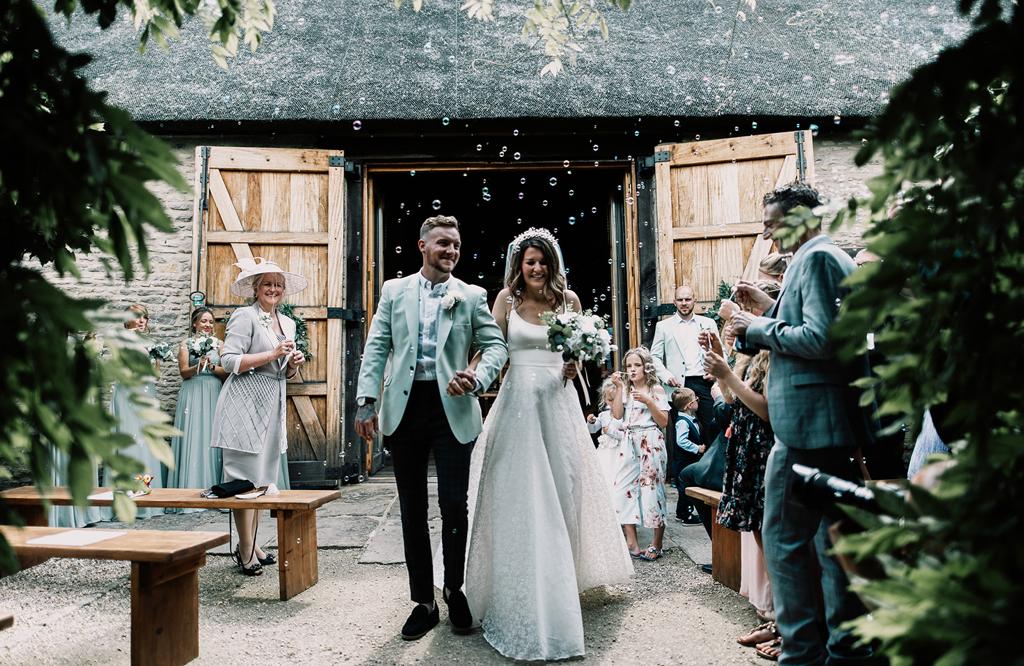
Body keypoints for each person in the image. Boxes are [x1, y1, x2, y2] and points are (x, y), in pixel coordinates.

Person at [463, 227, 632, 660]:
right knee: (517, 495)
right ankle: (516, 581)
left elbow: (576, 351)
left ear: (553, 263)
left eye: (543, 261)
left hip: (558, 403)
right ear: (519, 265)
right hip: (517, 403)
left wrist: (575, 363)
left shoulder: (569, 302)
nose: (536, 268)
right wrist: (468, 376)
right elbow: (489, 348)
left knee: (563, 489)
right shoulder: (506, 301)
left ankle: (561, 581)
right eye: (529, 261)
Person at [731, 182, 876, 665]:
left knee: (784, 542)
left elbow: (820, 339)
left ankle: (801, 653)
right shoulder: (822, 258)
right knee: (829, 546)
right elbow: (809, 324)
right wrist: (768, 308)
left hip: (807, 428)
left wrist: (754, 329)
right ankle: (840, 650)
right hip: (822, 426)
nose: (767, 231)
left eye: (773, 221)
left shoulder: (817, 258)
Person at [355, 215, 508, 641]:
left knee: (455, 505)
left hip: (454, 409)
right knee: (412, 510)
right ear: (422, 246)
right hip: (404, 409)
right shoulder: (393, 291)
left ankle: (455, 589)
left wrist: (478, 378)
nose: (451, 251)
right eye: (443, 243)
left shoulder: (472, 295)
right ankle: (423, 602)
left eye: (456, 245)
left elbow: (494, 345)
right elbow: (378, 345)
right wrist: (366, 401)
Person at [211, 259, 307, 576]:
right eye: (267, 283)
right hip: (245, 399)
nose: (274, 289)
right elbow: (228, 361)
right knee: (244, 477)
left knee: (264, 476)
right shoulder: (245, 316)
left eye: (278, 284)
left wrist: (294, 361)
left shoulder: (288, 324)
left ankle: (250, 544)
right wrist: (272, 354)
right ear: (255, 287)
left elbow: (286, 372)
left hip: (272, 401)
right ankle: (246, 551)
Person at [611, 346, 670, 561]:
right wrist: (618, 388)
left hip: (650, 441)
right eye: (629, 366)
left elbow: (664, 421)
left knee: (652, 491)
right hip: (629, 442)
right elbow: (617, 415)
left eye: (637, 365)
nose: (633, 370)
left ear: (646, 367)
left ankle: (656, 544)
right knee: (623, 488)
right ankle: (632, 543)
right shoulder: (625, 389)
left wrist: (648, 402)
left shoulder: (656, 390)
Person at [165, 307, 227, 509]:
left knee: (212, 434)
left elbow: (226, 372)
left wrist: (211, 367)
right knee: (193, 435)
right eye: (204, 321)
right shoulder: (186, 344)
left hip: (213, 391)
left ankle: (216, 489)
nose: (208, 325)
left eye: (211, 322)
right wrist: (198, 366)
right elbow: (183, 372)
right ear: (195, 324)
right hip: (192, 391)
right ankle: (189, 489)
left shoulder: (220, 344)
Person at [109, 304, 165, 519]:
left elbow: (157, 376)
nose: (142, 320)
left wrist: (157, 361)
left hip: (147, 393)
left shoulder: (152, 344)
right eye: (137, 316)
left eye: (145, 317)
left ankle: (146, 494)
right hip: (128, 393)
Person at [650, 285, 719, 449]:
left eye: (687, 299)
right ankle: (682, 473)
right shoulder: (663, 326)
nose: (684, 303)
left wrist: (715, 372)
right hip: (678, 386)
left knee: (712, 428)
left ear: (694, 300)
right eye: (680, 300)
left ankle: (713, 470)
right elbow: (654, 357)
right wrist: (666, 376)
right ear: (674, 302)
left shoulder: (708, 323)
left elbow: (720, 351)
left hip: (704, 383)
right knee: (681, 434)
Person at [588, 378, 633, 526]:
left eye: (615, 399)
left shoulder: (625, 415)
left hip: (618, 453)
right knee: (603, 480)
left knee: (616, 481)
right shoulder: (603, 415)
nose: (612, 403)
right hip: (604, 453)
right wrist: (591, 422)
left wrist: (612, 432)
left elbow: (625, 436)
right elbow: (592, 431)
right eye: (609, 399)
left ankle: (618, 513)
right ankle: (605, 514)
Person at [670, 387, 704, 524]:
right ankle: (685, 514)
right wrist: (697, 448)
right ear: (689, 405)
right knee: (684, 488)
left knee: (687, 486)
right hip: (684, 462)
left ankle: (682, 512)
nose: (698, 400)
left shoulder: (690, 418)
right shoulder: (683, 422)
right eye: (696, 398)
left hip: (689, 461)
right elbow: (681, 440)